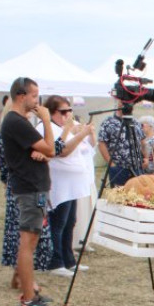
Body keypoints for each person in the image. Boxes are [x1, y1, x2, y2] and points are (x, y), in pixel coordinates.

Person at [0, 77, 57, 306]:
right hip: (30, 188)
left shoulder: (18, 121)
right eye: (34, 96)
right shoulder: (15, 121)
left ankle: (28, 291)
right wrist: (46, 119)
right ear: (21, 96)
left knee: (29, 242)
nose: (38, 101)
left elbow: (44, 152)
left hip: (32, 187)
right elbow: (50, 148)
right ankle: (28, 298)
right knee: (28, 244)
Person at [37, 96, 95, 278]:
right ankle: (56, 261)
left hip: (72, 184)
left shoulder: (63, 128)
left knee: (69, 222)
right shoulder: (47, 128)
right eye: (63, 112)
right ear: (52, 112)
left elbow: (84, 148)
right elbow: (61, 151)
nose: (68, 115)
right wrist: (80, 133)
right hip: (59, 184)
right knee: (58, 223)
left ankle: (68, 259)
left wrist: (81, 133)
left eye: (69, 111)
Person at [97, 108, 143, 188]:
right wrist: (111, 163)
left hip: (137, 168)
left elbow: (142, 140)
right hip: (119, 168)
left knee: (138, 195)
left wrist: (144, 157)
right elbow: (101, 143)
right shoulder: (108, 122)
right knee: (119, 197)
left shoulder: (136, 122)